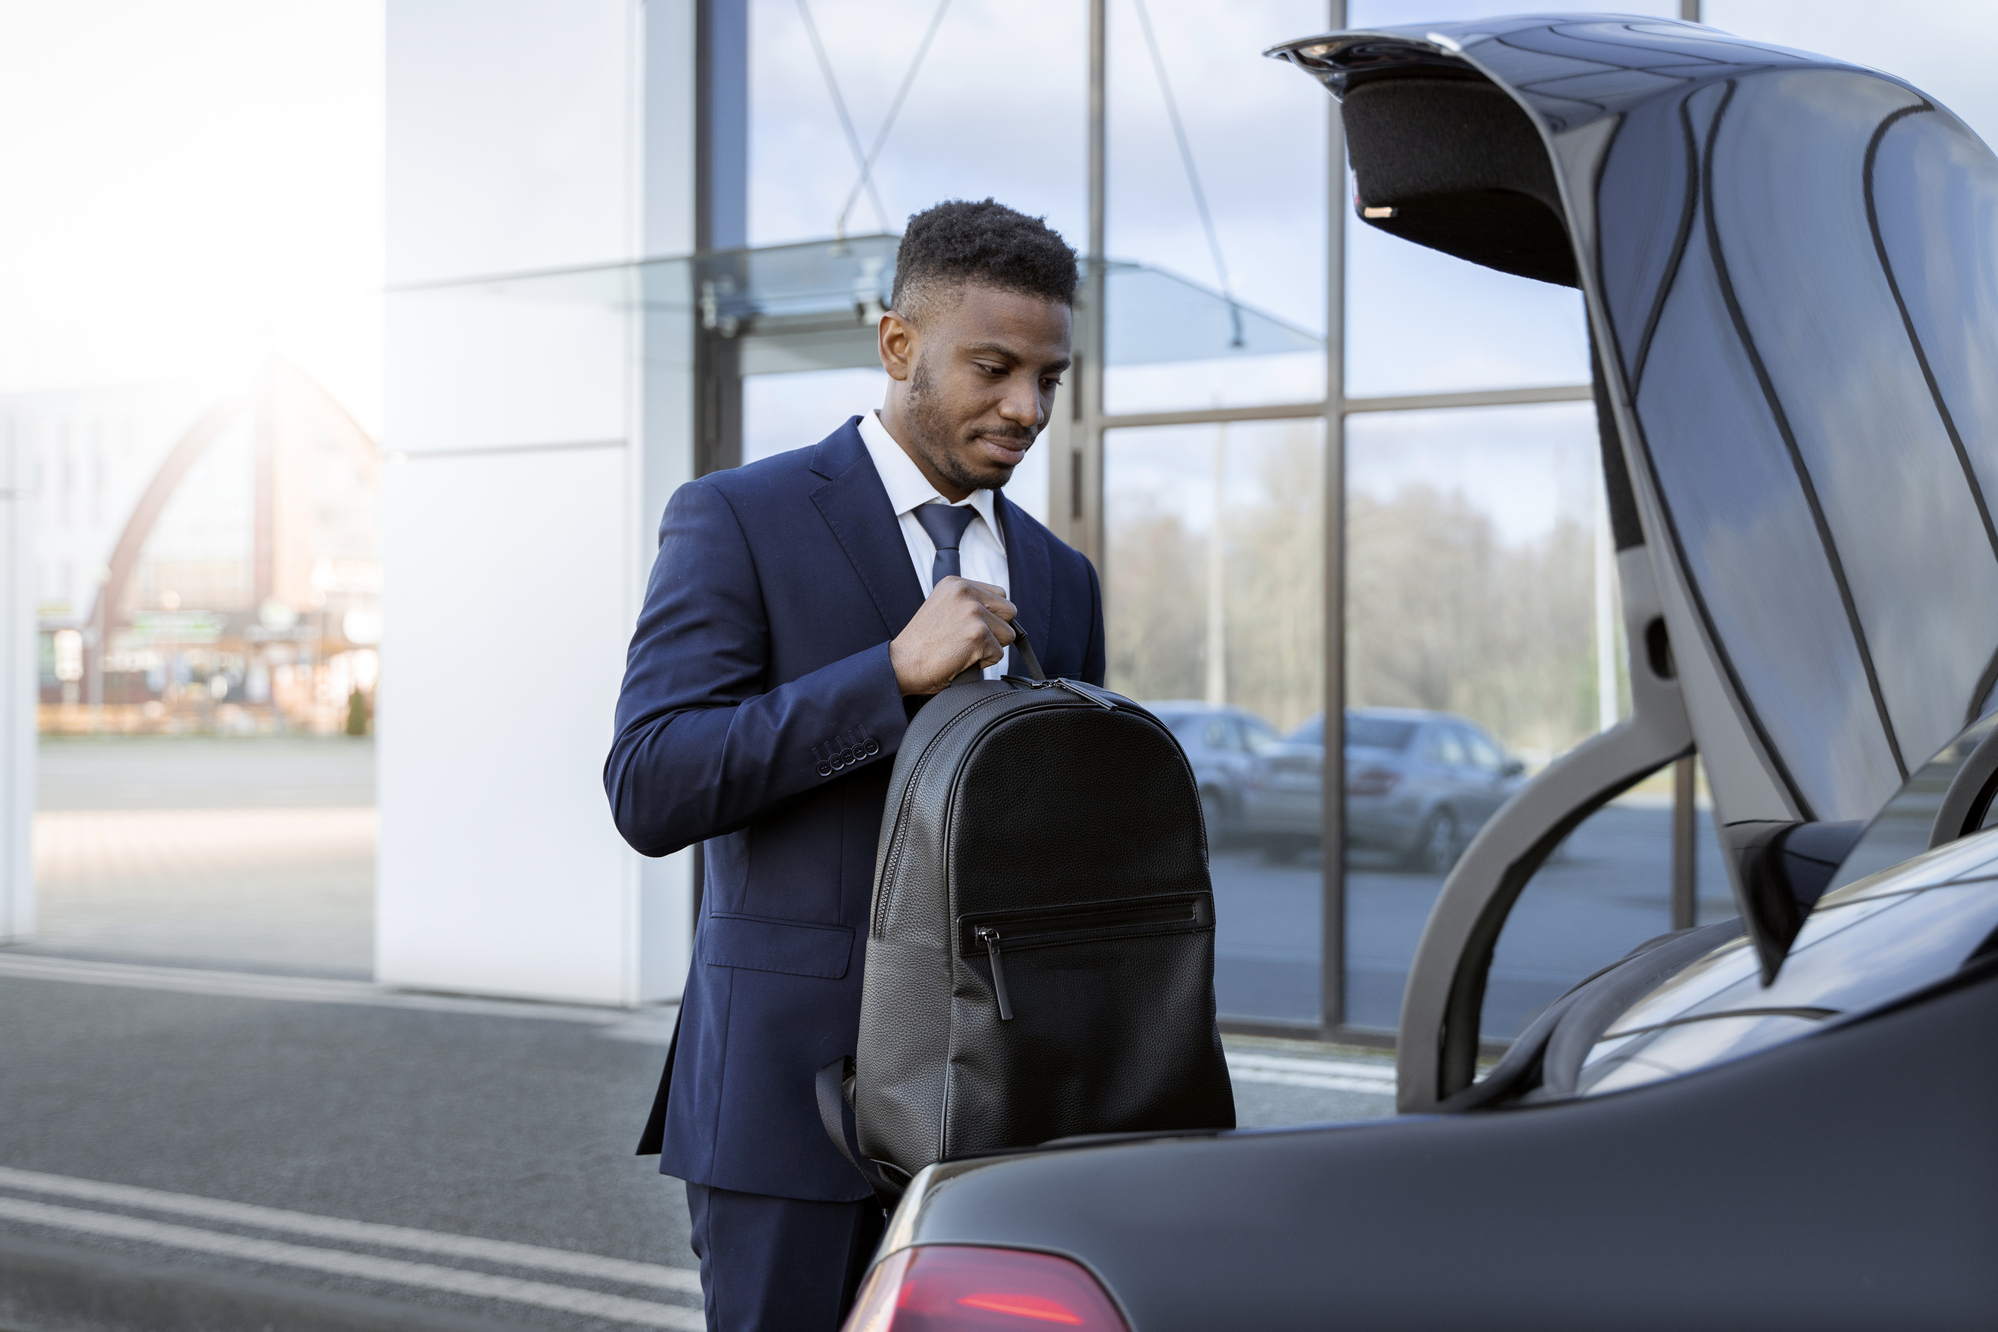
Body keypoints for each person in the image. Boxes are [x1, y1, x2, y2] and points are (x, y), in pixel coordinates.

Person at [604, 198, 1107, 1332]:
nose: (1027, 409)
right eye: (993, 369)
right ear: (897, 344)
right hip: (790, 1108)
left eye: (1050, 379)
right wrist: (888, 677)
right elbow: (651, 783)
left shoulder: (1060, 578)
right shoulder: (738, 517)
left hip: (1003, 1122)